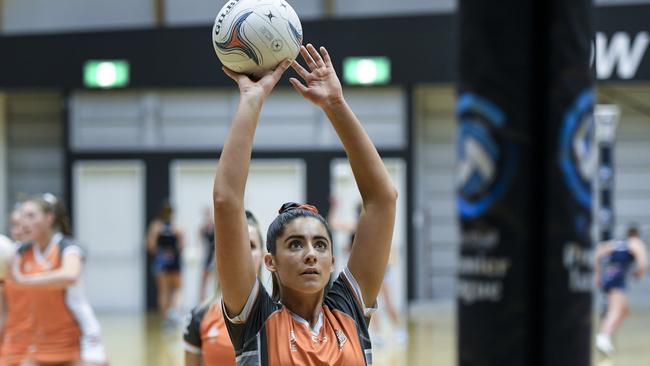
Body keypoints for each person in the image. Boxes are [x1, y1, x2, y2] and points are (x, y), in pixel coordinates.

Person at [213, 44, 397, 365]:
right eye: (295, 244)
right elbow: (227, 201)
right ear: (270, 261)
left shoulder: (348, 310)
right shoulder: (257, 320)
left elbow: (383, 200)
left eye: (320, 245)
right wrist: (251, 101)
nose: (311, 253)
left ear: (332, 260)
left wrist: (336, 105)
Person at [10, 193, 108, 365]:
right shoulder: (20, 252)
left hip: (79, 334)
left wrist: (25, 280)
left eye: (31, 216)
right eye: (22, 216)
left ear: (49, 218)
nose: (24, 221)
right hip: (41, 337)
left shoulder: (68, 247)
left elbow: (70, 275)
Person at [184, 210, 263, 366]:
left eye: (251, 245)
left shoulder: (280, 314)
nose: (243, 253)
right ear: (221, 254)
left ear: (264, 255)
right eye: (235, 245)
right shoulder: (199, 316)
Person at [594, 225, 648, 356]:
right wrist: (638, 274)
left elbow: (599, 252)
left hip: (610, 274)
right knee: (616, 310)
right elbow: (643, 263)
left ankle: (605, 337)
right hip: (618, 277)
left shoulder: (617, 243)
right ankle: (603, 336)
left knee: (624, 311)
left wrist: (599, 274)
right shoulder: (636, 242)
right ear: (636, 235)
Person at [0, 205, 34, 366]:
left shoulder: (50, 256)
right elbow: (3, 312)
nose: (18, 231)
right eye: (14, 225)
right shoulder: (5, 259)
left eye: (24, 226)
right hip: (13, 340)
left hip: (42, 340)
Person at [147, 200, 185, 328]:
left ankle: (165, 320)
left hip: (161, 262)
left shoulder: (156, 227)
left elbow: (151, 246)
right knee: (177, 289)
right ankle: (174, 313)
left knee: (163, 291)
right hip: (174, 261)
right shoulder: (177, 228)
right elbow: (182, 247)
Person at [199, 207, 216, 302]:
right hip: (208, 256)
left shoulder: (215, 227)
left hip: (216, 256)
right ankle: (201, 302)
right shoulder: (203, 229)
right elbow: (201, 244)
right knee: (203, 281)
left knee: (216, 280)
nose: (207, 217)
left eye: (209, 215)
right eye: (206, 215)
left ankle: (216, 299)